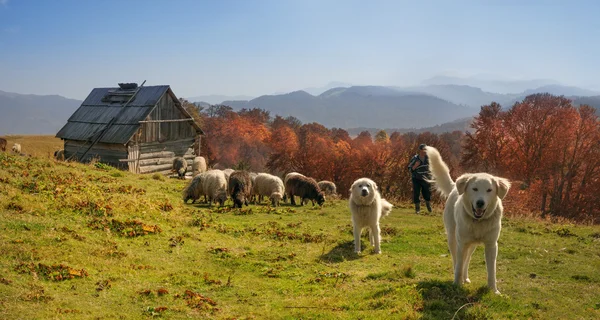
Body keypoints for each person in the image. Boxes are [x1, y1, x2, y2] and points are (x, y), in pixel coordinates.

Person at [408, 143, 432, 214]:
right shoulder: (415, 158)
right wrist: (415, 166)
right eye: (423, 150)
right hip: (416, 179)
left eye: (425, 150)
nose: (424, 151)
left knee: (427, 193)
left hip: (426, 179)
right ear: (420, 150)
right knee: (416, 193)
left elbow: (433, 167)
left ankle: (428, 206)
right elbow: (410, 169)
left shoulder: (429, 158)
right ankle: (417, 209)